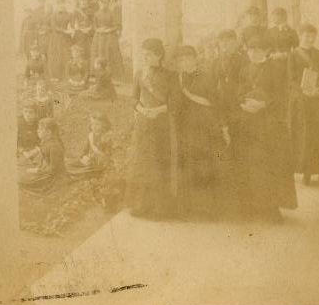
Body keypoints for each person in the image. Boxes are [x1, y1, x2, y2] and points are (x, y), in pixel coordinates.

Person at [231, 34, 298, 220]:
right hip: (248, 121)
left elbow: (282, 94)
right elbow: (239, 91)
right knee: (250, 164)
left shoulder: (276, 69)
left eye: (258, 50)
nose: (254, 53)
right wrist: (243, 103)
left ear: (267, 51)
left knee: (270, 164)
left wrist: (265, 105)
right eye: (251, 50)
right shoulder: (244, 69)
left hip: (269, 123)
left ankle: (271, 207)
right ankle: (252, 205)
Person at [125, 38, 182, 219]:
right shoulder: (139, 74)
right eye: (143, 54)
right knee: (142, 164)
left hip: (161, 124)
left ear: (158, 55)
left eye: (148, 54)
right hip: (143, 124)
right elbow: (133, 98)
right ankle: (142, 205)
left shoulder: (171, 75)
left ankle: (161, 208)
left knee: (159, 164)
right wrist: (141, 109)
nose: (145, 57)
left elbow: (175, 102)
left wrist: (157, 110)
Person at [175, 44, 228, 217]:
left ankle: (207, 208)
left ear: (195, 58)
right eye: (181, 59)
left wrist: (222, 126)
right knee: (188, 164)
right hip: (185, 126)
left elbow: (216, 102)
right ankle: (189, 208)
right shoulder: (179, 78)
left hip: (205, 125)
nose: (185, 62)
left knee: (205, 163)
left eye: (188, 58)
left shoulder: (206, 76)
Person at [288, 24, 319, 185]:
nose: (309, 38)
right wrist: (304, 91)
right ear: (300, 36)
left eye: (312, 35)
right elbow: (291, 79)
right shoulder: (293, 55)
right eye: (306, 35)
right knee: (307, 136)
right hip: (303, 99)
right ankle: (307, 173)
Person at [18, 117, 66, 193]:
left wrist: (38, 171)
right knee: (21, 177)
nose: (38, 131)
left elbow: (54, 170)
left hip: (53, 177)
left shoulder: (54, 147)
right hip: (46, 171)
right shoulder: (44, 142)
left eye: (40, 129)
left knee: (23, 181)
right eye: (38, 129)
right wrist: (39, 168)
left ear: (49, 132)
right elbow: (44, 159)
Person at [67, 112, 114, 177]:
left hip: (99, 164)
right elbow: (86, 149)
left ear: (104, 125)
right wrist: (83, 157)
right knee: (69, 165)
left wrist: (93, 146)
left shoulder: (106, 137)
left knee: (86, 171)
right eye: (92, 124)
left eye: (97, 124)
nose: (94, 127)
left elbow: (106, 156)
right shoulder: (91, 135)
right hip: (88, 161)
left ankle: (79, 174)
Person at [91, 0, 124, 79]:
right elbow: (94, 26)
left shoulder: (112, 13)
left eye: (105, 3)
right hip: (99, 37)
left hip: (110, 35)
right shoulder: (96, 14)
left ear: (107, 3)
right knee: (99, 53)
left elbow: (117, 25)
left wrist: (109, 30)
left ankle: (112, 74)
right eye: (101, 3)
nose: (103, 5)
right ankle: (99, 73)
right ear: (99, 3)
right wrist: (98, 30)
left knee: (110, 53)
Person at [45, 0, 71, 82]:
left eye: (62, 3)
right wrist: (64, 31)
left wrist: (71, 29)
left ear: (65, 4)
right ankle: (56, 75)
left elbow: (72, 24)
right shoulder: (53, 15)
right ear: (57, 5)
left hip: (65, 38)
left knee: (65, 55)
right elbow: (53, 26)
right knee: (56, 56)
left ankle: (66, 75)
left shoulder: (69, 14)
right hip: (55, 38)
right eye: (59, 4)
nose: (61, 5)